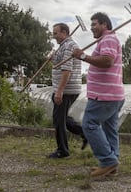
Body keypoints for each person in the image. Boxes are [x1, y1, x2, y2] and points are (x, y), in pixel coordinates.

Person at [72, 12, 124, 180]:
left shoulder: (108, 39)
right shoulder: (108, 39)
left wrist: (83, 56)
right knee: (110, 130)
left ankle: (108, 161)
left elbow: (107, 61)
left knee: (89, 124)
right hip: (112, 95)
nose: (92, 27)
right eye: (92, 24)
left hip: (104, 96)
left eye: (95, 24)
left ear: (104, 25)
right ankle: (112, 163)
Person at [48, 23, 87, 159]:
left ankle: (63, 151)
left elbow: (67, 70)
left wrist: (60, 91)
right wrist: (53, 58)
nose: (54, 37)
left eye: (56, 33)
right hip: (68, 89)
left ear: (64, 32)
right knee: (61, 118)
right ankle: (85, 133)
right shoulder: (64, 46)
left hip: (67, 90)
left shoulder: (69, 46)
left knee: (59, 120)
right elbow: (59, 65)